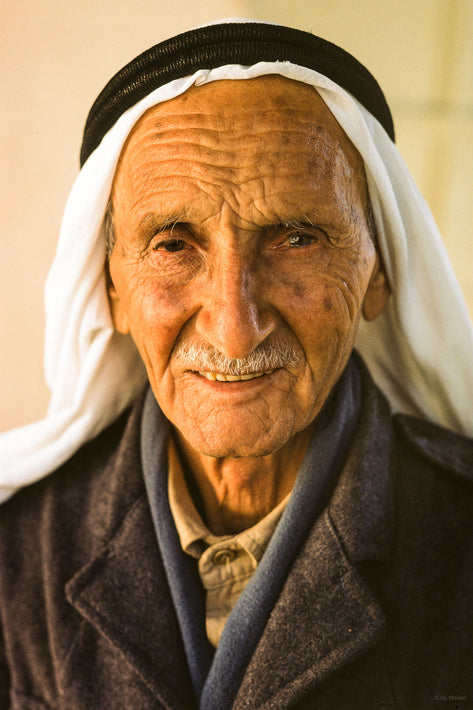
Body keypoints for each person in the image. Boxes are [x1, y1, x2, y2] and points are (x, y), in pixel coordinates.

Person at [1, 19, 472, 710]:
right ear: (110, 289)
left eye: (297, 238)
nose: (235, 327)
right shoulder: (20, 549)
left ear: (378, 272)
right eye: (172, 244)